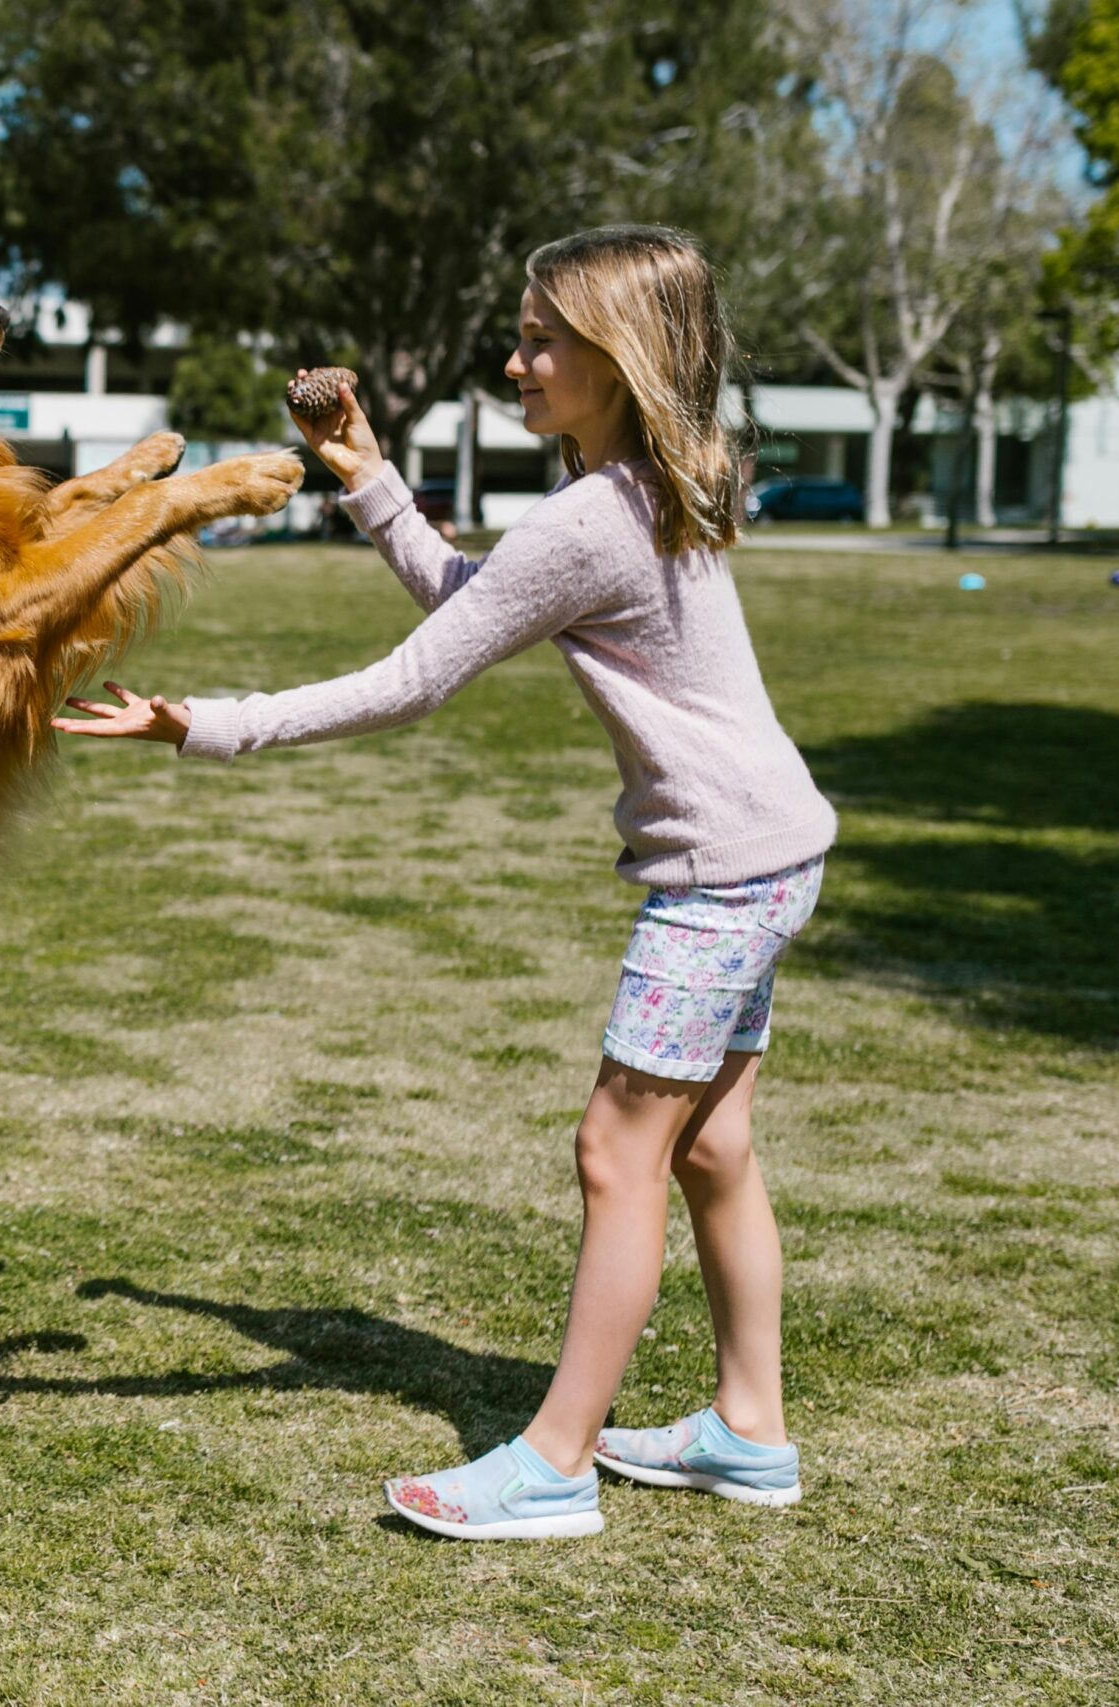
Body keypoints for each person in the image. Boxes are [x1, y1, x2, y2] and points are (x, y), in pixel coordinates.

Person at [55, 225, 835, 1541]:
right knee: (710, 1146)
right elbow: (476, 602)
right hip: (772, 856)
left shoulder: (595, 513)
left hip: (718, 882)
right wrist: (369, 480)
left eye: (542, 341)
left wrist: (208, 722)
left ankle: (553, 1463)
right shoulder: (642, 490)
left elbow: (415, 677)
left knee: (619, 1150)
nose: (517, 360)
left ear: (617, 356)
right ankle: (748, 1429)